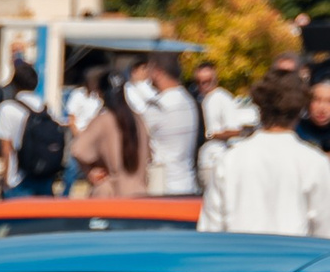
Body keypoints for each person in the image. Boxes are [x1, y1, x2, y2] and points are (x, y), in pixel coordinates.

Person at [199, 68, 330, 234]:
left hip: (239, 256)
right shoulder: (314, 162)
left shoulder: (230, 160)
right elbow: (325, 233)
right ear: (300, 109)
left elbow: (210, 229)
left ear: (259, 106)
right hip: (296, 258)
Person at [68, 60, 146, 194]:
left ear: (100, 93)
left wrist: (91, 171)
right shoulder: (138, 120)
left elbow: (77, 149)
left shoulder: (104, 120)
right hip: (139, 194)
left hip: (111, 195)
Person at [0, 59, 63, 199]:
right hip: (44, 175)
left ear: (14, 84)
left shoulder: (7, 108)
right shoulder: (45, 108)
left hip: (18, 178)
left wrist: (5, 178)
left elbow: (6, 146)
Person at [135, 55, 201, 196]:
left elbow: (136, 134)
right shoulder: (189, 101)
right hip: (189, 182)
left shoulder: (159, 106)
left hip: (165, 185)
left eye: (149, 70)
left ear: (158, 72)